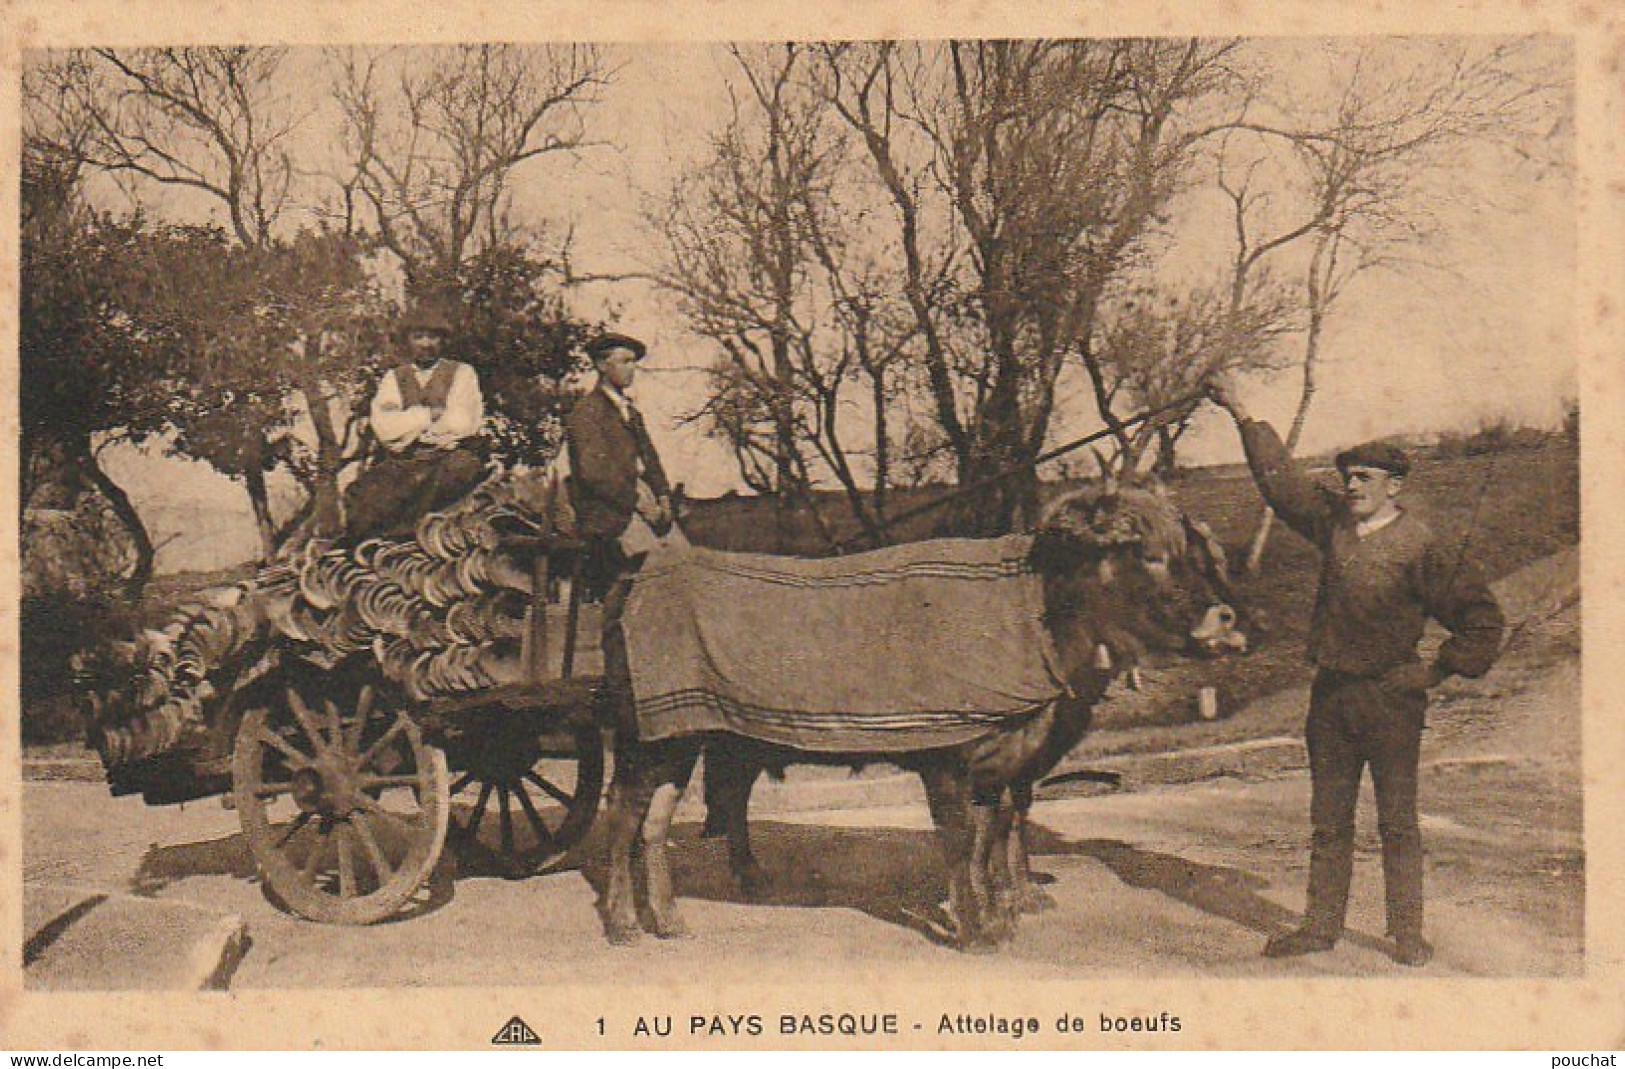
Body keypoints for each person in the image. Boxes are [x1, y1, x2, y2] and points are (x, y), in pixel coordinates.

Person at [1207, 375, 1504, 967]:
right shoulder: (1334, 525)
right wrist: (1240, 410)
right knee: (1328, 821)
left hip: (1394, 699)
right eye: (1347, 476)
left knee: (1397, 823)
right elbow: (1282, 485)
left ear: (1395, 486)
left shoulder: (1424, 545)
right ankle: (1319, 930)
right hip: (1331, 696)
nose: (1351, 485)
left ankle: (1407, 935)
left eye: (1364, 477)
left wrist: (1435, 673)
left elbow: (1482, 621)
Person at [343, 299, 487, 541]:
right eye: (418, 337)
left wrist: (410, 424)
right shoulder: (394, 378)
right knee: (363, 494)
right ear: (408, 341)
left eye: (432, 338)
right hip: (406, 460)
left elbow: (463, 423)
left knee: (451, 476)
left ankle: (416, 536)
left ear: (443, 341)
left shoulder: (462, 373)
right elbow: (386, 428)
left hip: (448, 457)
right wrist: (430, 415)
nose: (426, 344)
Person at [565, 332, 674, 598]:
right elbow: (595, 474)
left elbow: (651, 460)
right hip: (607, 517)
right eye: (624, 361)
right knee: (647, 583)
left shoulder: (631, 413)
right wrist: (639, 502)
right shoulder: (587, 412)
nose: (632, 369)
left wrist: (663, 497)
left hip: (640, 511)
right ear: (602, 365)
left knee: (682, 568)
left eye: (634, 362)